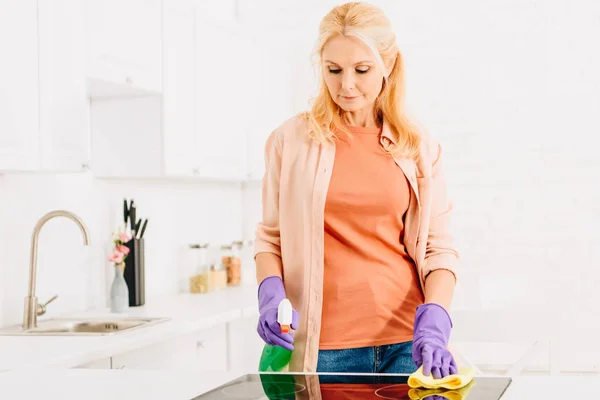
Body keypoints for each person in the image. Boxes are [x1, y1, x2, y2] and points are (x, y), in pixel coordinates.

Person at [254, 2, 459, 379]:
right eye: (334, 70)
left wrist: (435, 322)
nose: (345, 85)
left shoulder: (419, 148)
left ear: (389, 64)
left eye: (361, 70)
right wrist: (270, 293)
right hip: (324, 350)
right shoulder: (291, 140)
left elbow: (439, 249)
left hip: (407, 346)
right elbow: (270, 239)